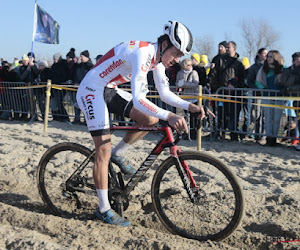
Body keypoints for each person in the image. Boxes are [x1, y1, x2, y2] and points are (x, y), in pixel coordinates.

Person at [76, 21, 205, 226]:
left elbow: (165, 93)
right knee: (103, 149)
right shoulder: (143, 53)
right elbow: (139, 100)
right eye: (176, 53)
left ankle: (119, 153)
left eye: (181, 56)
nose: (178, 59)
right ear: (164, 44)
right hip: (91, 89)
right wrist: (170, 116)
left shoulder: (158, 61)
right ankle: (103, 209)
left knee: (150, 118)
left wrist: (190, 107)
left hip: (109, 88)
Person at [208, 41, 245, 140]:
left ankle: (233, 134)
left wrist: (234, 86)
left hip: (234, 93)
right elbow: (213, 75)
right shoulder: (220, 60)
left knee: (234, 114)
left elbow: (242, 79)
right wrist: (217, 89)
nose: (227, 49)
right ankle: (219, 133)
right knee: (220, 114)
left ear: (234, 49)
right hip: (221, 92)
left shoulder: (238, 64)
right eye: (226, 47)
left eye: (229, 47)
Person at [255, 50, 284, 146]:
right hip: (267, 96)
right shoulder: (263, 69)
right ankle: (268, 138)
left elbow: (286, 81)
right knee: (268, 118)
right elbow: (258, 81)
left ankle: (274, 138)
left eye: (271, 56)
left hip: (279, 97)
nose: (269, 58)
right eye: (268, 56)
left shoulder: (282, 69)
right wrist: (262, 89)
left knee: (276, 119)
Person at [244, 48, 268, 143]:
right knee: (257, 115)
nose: (265, 56)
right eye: (264, 54)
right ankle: (257, 135)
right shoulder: (254, 67)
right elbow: (249, 81)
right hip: (257, 94)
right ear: (259, 54)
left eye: (267, 54)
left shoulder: (269, 66)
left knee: (265, 116)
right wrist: (257, 88)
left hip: (267, 94)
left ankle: (264, 135)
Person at [176, 58, 199, 139]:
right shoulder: (180, 73)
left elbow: (196, 83)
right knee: (186, 116)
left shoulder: (194, 72)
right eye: (188, 65)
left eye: (191, 65)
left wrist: (184, 84)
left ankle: (193, 133)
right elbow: (177, 83)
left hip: (193, 97)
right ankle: (186, 132)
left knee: (193, 117)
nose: (190, 66)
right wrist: (180, 84)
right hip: (184, 98)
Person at [72, 50, 94, 124]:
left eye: (82, 56)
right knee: (76, 103)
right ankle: (77, 118)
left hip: (86, 89)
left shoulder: (91, 66)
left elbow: (90, 78)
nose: (80, 58)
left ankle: (86, 120)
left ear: (86, 57)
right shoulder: (78, 66)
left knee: (86, 104)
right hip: (77, 87)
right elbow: (75, 75)